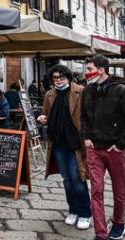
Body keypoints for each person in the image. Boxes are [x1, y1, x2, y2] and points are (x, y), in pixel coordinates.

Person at [81, 55, 125, 240]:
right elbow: (83, 117)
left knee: (118, 189)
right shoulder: (88, 90)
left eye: (89, 69)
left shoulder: (121, 90)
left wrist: (121, 145)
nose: (86, 73)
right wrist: (85, 137)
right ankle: (100, 232)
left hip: (114, 149)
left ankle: (119, 222)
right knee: (96, 190)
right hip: (94, 148)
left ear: (102, 69)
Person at [38, 64, 92, 230]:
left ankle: (85, 213)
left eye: (61, 77)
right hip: (58, 142)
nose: (58, 80)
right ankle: (73, 210)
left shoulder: (81, 91)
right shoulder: (49, 94)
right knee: (67, 179)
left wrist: (88, 137)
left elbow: (89, 115)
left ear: (68, 77)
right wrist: (43, 118)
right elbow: (46, 114)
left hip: (75, 142)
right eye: (55, 78)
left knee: (77, 178)